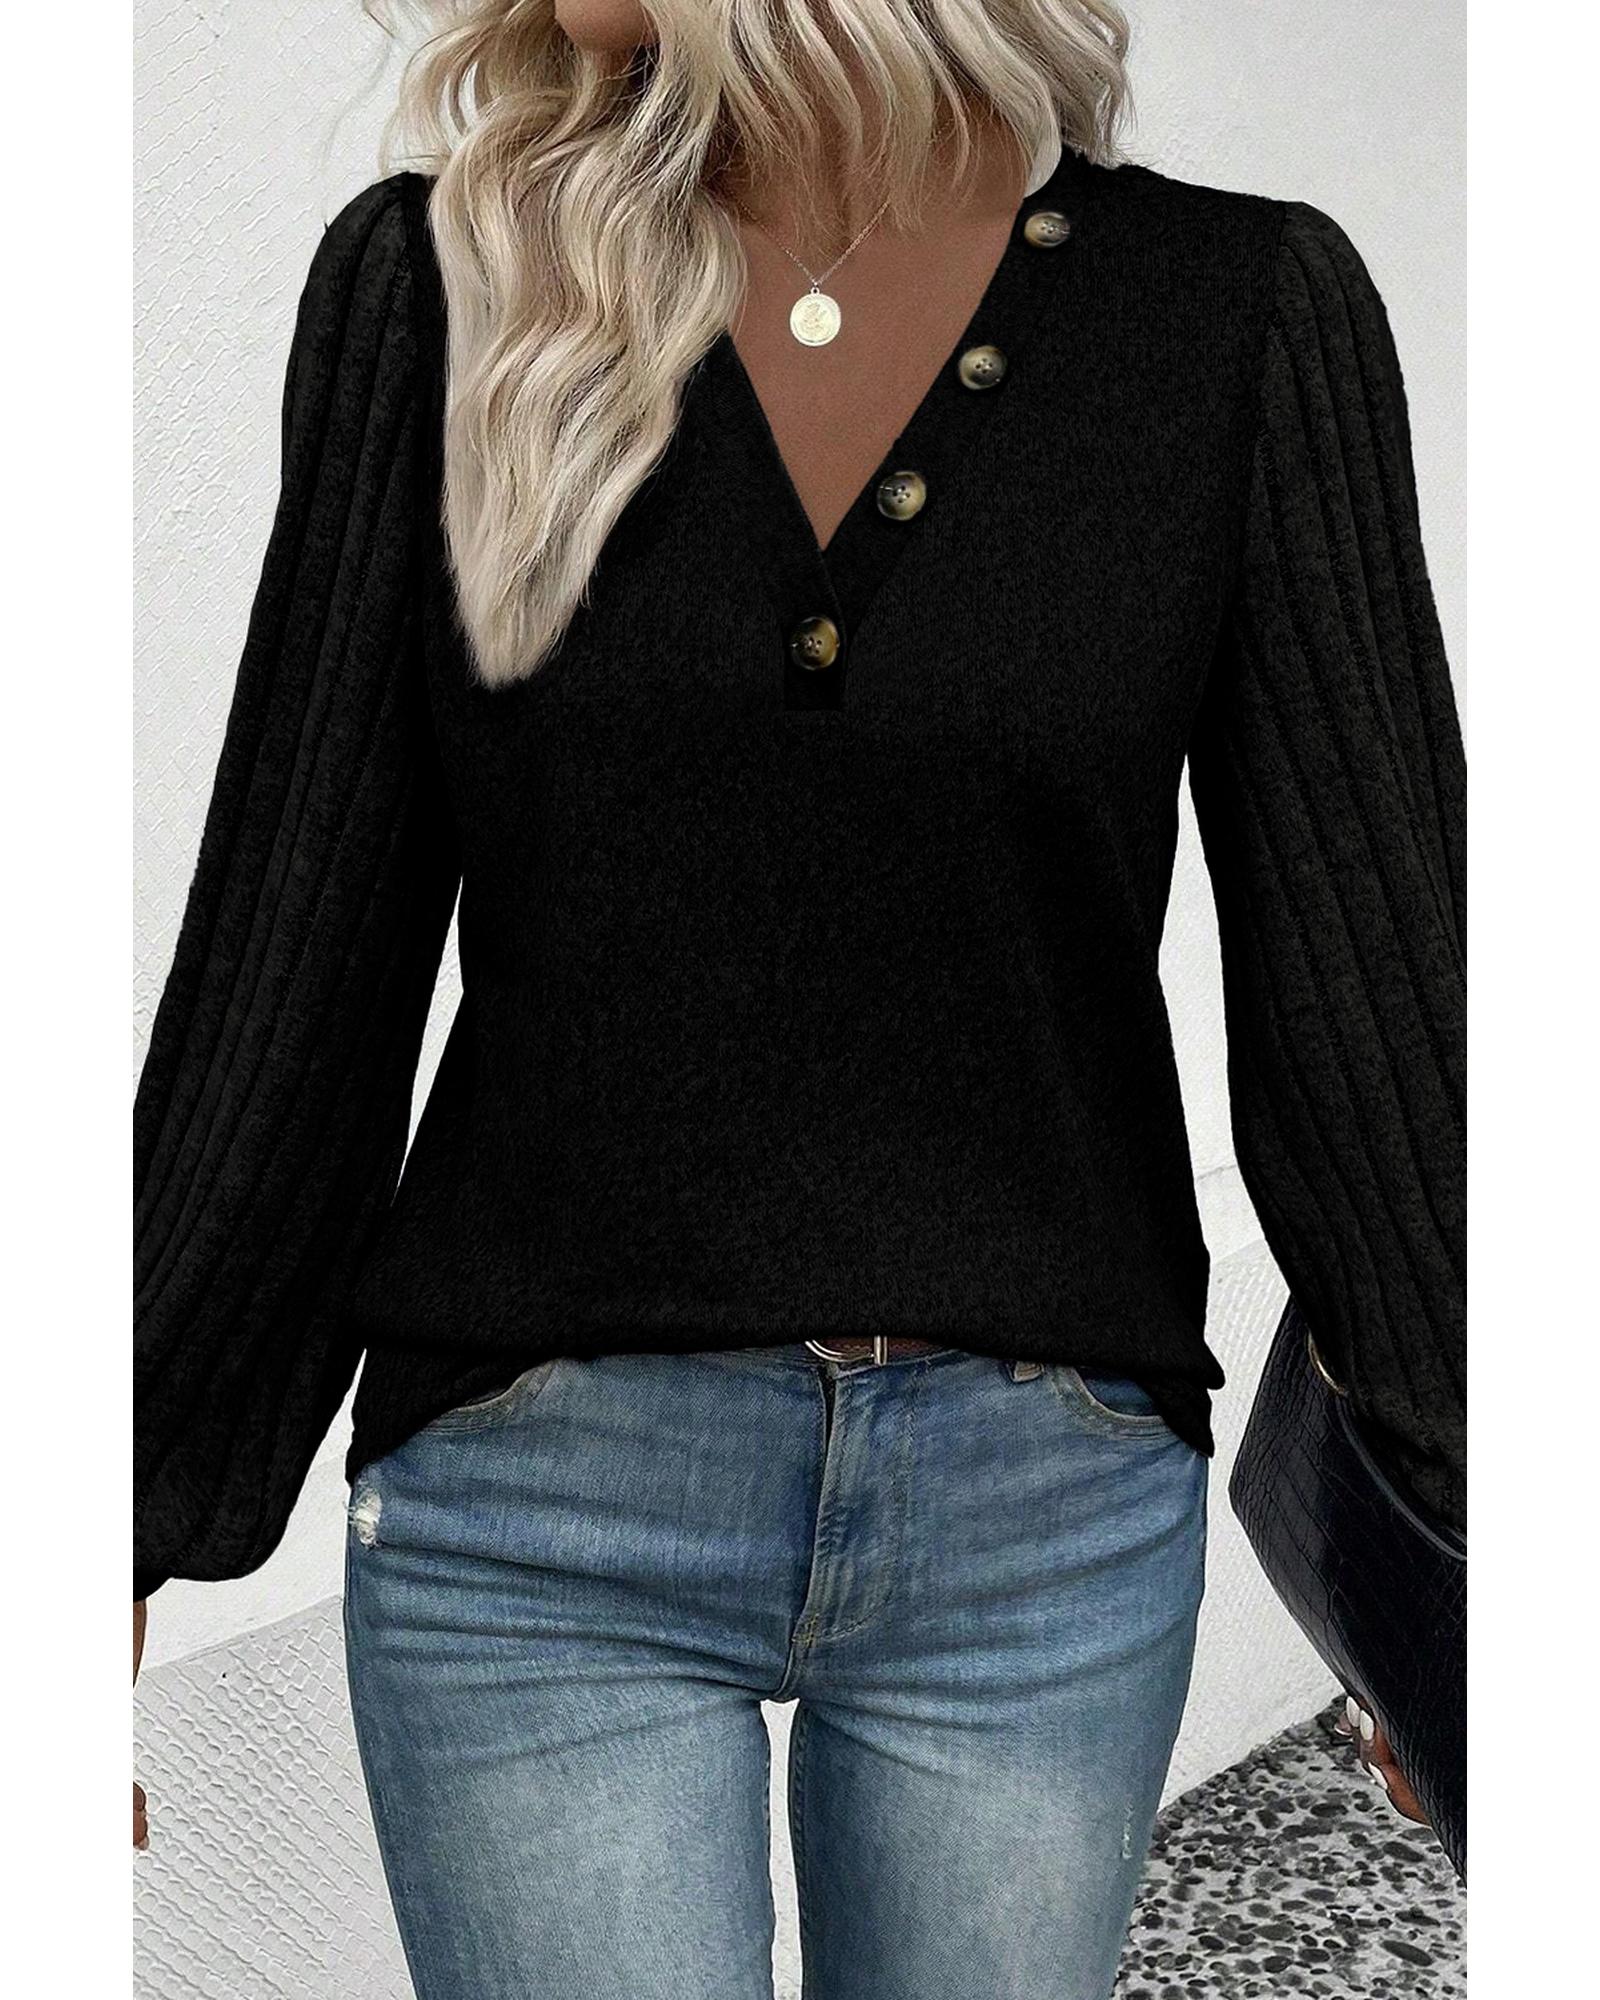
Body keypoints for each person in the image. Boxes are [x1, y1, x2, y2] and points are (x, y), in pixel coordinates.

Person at [132, 3, 1466, 1994]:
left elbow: (1391, 1026)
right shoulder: (444, 290)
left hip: (1042, 1529)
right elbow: (289, 968)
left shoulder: (1238, 319)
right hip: (536, 1517)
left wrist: (1464, 1552)